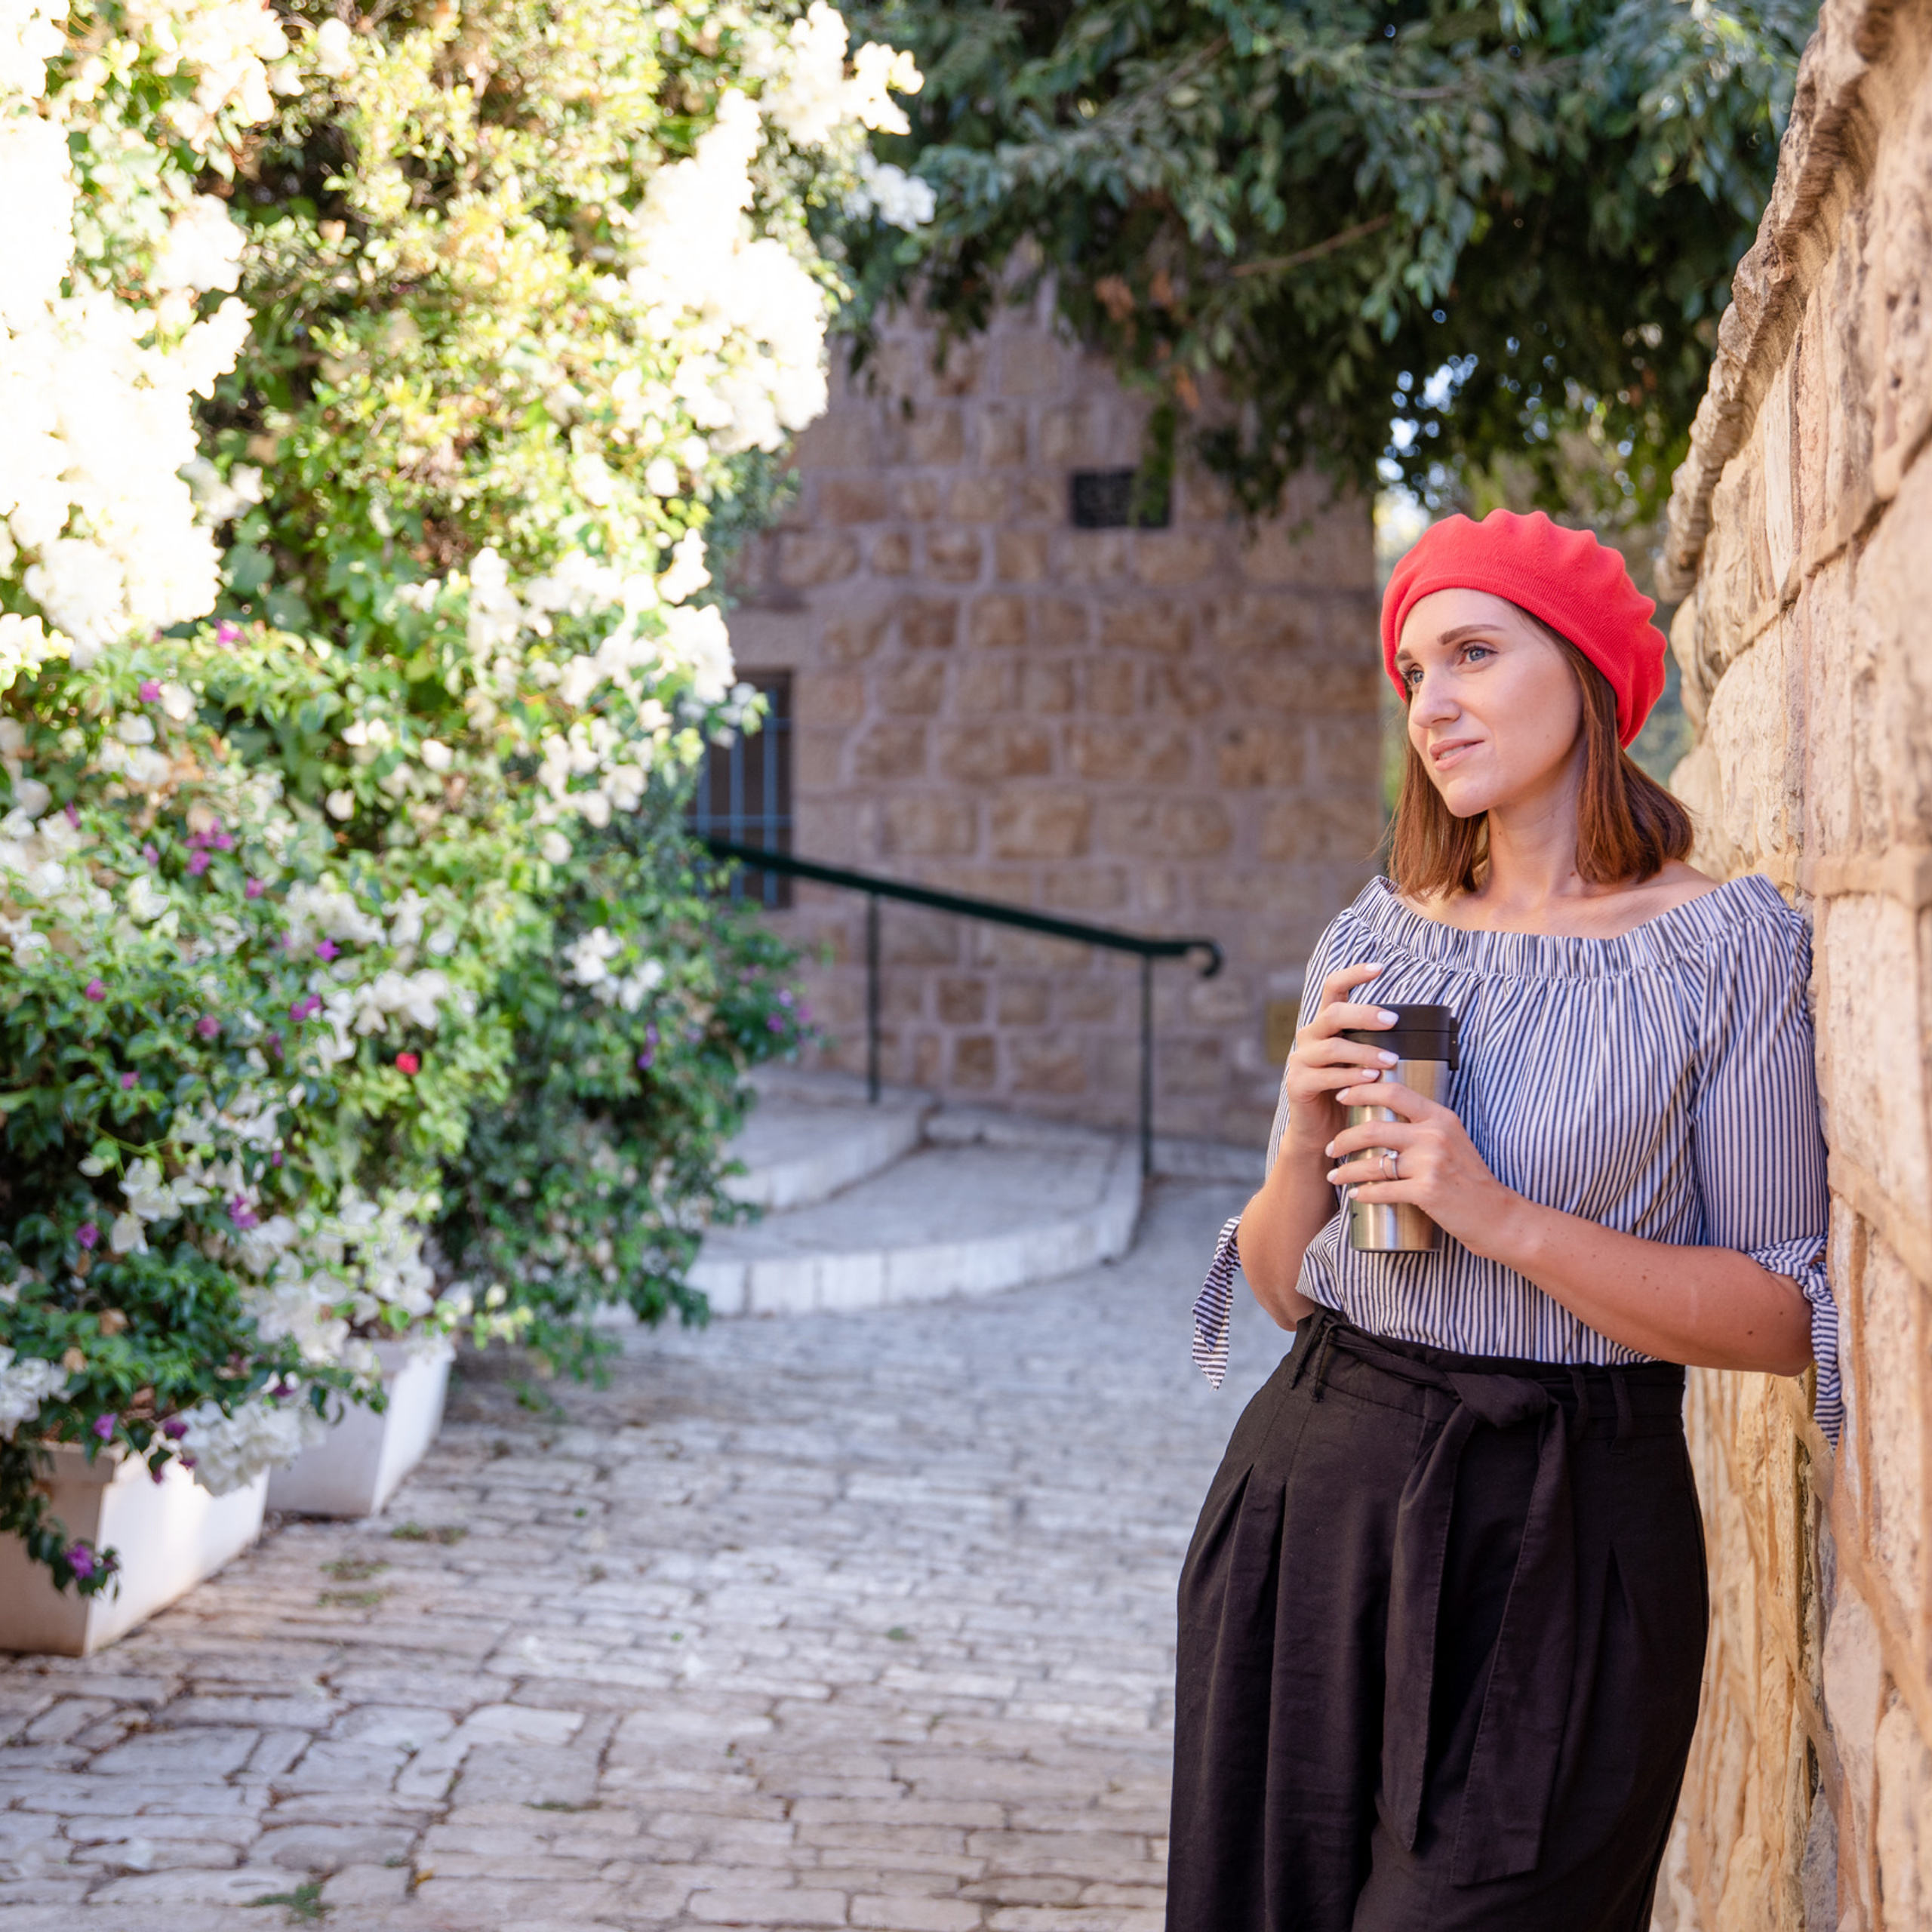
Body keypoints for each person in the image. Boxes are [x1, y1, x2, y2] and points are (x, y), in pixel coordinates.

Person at [1169, 509, 1835, 1932]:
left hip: (1574, 1514)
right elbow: (1288, 1288)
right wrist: (1300, 1139)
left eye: (1475, 653)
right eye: (1415, 673)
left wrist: (1497, 1215)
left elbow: (1783, 1316)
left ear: (1587, 675)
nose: (1437, 703)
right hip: (1323, 1484)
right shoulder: (1375, 936)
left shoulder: (1726, 948)